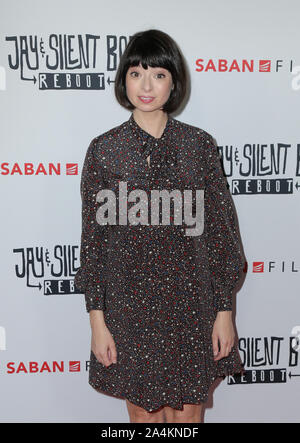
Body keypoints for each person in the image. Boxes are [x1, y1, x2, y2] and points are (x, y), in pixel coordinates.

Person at [74, 29, 245, 424]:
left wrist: (224, 312)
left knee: (187, 420)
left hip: (191, 307)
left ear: (174, 81)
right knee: (146, 422)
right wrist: (97, 323)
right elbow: (94, 244)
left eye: (158, 74)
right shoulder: (104, 149)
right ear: (124, 80)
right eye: (136, 73)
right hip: (129, 311)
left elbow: (221, 235)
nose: (146, 85)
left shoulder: (198, 146)